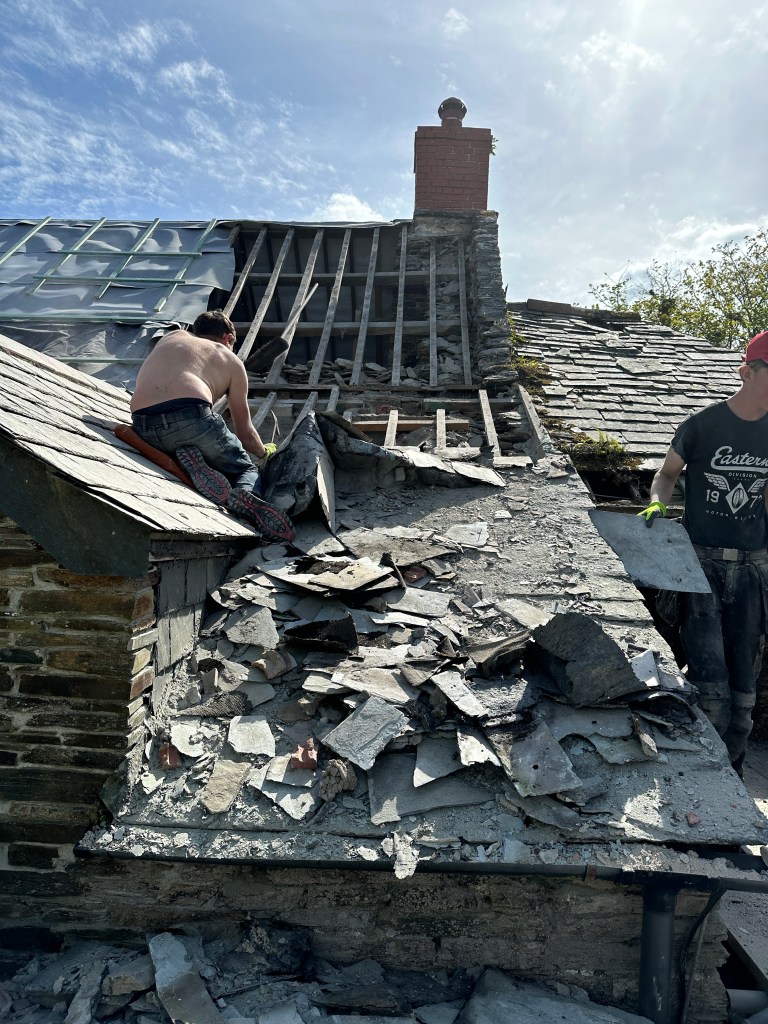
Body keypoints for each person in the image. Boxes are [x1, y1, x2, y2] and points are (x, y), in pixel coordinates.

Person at [639, 330, 768, 773]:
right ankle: (698, 778)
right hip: (701, 565)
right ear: (747, 372)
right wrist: (658, 501)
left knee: (744, 694)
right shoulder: (703, 425)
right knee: (710, 682)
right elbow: (667, 474)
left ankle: (732, 786)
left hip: (754, 569)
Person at [130, 310, 294, 542]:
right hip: (192, 417)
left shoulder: (172, 337)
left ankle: (194, 465)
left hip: (143, 423)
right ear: (228, 339)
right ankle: (246, 494)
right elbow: (245, 433)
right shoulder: (231, 361)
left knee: (184, 444)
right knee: (244, 469)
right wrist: (263, 452)